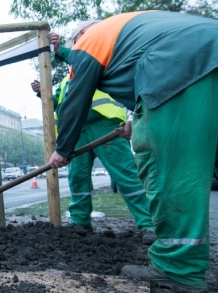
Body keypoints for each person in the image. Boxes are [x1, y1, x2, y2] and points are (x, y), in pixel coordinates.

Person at [47, 11, 218, 293]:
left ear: (79, 36)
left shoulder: (88, 42)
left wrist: (62, 149)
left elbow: (75, 99)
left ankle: (177, 267)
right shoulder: (136, 27)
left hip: (182, 63)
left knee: (173, 167)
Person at [33, 26, 155, 245]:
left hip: (104, 126)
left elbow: (85, 60)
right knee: (77, 178)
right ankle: (80, 222)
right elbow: (60, 104)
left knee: (125, 174)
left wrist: (60, 50)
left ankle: (149, 224)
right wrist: (43, 93)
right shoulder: (65, 80)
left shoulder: (103, 56)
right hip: (77, 132)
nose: (83, 38)